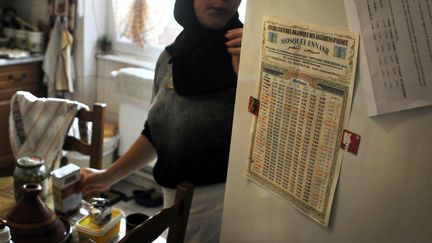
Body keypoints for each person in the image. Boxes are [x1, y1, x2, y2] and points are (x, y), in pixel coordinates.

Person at [80, 0, 243, 242]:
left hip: (222, 212)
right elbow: (157, 134)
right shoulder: (169, 58)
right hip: (172, 205)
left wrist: (251, 78)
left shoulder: (248, 58)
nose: (220, 1)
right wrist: (107, 177)